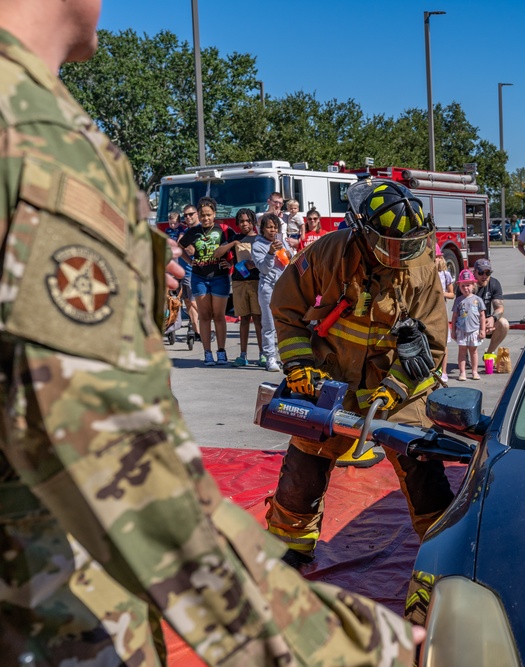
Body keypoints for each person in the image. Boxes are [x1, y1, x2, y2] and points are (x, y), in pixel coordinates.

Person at [0, 2, 421, 664]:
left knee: (421, 470)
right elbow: (125, 472)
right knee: (303, 474)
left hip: (384, 398)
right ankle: (296, 543)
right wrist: (355, 648)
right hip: (40, 602)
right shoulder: (36, 140)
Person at [265, 179, 454, 567]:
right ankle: (290, 545)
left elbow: (433, 340)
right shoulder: (328, 253)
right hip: (332, 377)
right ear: (364, 234)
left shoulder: (421, 269)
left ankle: (444, 554)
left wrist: (395, 388)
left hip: (398, 382)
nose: (401, 255)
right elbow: (285, 305)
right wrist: (300, 365)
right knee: (305, 463)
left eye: (409, 246)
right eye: (392, 246)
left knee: (422, 467)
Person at [179, 196, 236, 365]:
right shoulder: (193, 231)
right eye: (202, 215)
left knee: (219, 316)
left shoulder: (224, 230)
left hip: (220, 278)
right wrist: (190, 262)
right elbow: (179, 247)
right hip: (199, 278)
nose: (205, 218)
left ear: (214, 214)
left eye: (209, 215)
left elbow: (237, 245)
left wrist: (231, 262)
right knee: (204, 316)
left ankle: (221, 351)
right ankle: (207, 353)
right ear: (198, 215)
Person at [213, 207, 262, 366]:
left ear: (253, 222)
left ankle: (263, 353)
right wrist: (233, 242)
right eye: (241, 221)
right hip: (239, 282)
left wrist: (253, 265)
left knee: (258, 318)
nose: (245, 224)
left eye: (248, 221)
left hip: (256, 282)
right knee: (244, 319)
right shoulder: (236, 238)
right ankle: (243, 354)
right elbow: (217, 253)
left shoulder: (259, 239)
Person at [252, 212, 292, 371]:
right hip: (268, 288)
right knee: (269, 326)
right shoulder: (257, 245)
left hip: (285, 288)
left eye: (275, 227)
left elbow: (289, 263)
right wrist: (270, 253)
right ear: (262, 229)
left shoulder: (281, 241)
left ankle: (287, 356)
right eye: (269, 227)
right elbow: (263, 268)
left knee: (286, 324)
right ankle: (270, 358)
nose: (272, 230)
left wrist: (289, 254)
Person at [452, 268, 487, 381]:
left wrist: (483, 330)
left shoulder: (478, 300)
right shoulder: (458, 301)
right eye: (463, 286)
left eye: (468, 285)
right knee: (462, 351)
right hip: (461, 330)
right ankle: (462, 372)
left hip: (474, 330)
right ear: (459, 287)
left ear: (473, 285)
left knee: (473, 351)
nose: (466, 288)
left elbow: (482, 316)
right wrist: (453, 331)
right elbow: (454, 317)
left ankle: (474, 371)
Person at [473, 258, 510, 357]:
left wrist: (492, 319)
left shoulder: (494, 283)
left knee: (504, 324)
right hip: (470, 322)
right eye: (481, 273)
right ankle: (466, 357)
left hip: (486, 321)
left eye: (488, 273)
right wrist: (480, 325)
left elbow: (499, 308)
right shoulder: (468, 286)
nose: (484, 276)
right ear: (474, 272)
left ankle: (489, 354)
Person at [179, 203, 202, 342]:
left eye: (190, 214)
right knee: (188, 301)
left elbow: (192, 250)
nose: (187, 217)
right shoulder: (187, 231)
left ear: (197, 214)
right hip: (185, 271)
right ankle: (196, 330)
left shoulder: (199, 230)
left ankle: (202, 325)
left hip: (197, 272)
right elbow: (179, 247)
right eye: (185, 215)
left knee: (195, 302)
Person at [436, 246, 454, 383]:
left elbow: (452, 294)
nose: (435, 260)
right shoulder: (427, 273)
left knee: (444, 342)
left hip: (442, 310)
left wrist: (441, 293)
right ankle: (434, 369)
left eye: (437, 257)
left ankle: (444, 370)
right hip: (429, 309)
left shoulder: (445, 274)